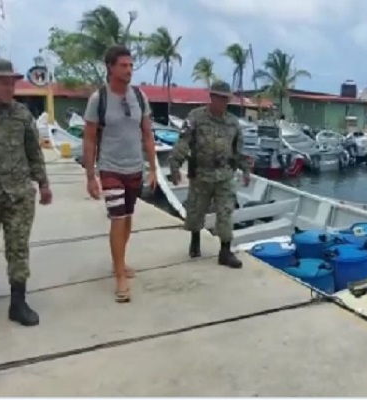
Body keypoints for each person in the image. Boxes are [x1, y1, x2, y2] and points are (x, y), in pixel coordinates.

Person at [0, 59, 52, 326]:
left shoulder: (21, 114)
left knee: (18, 247)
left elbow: (33, 151)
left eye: (12, 83)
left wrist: (42, 183)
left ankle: (18, 302)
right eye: (4, 83)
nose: (10, 87)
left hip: (18, 193)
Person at [82, 45, 157, 303]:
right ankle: (120, 278)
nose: (129, 70)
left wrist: (154, 168)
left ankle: (120, 262)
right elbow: (90, 139)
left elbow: (147, 134)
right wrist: (91, 176)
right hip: (110, 167)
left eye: (131, 65)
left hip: (135, 167)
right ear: (110, 68)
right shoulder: (98, 99)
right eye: (123, 66)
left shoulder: (139, 96)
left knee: (127, 218)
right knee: (117, 218)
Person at [169, 81, 250, 268]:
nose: (222, 102)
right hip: (201, 174)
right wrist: (175, 165)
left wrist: (245, 169)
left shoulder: (233, 122)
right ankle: (195, 239)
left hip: (225, 175)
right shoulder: (195, 117)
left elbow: (238, 150)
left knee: (226, 213)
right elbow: (183, 142)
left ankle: (225, 251)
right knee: (196, 211)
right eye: (219, 97)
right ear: (211, 97)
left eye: (225, 99)